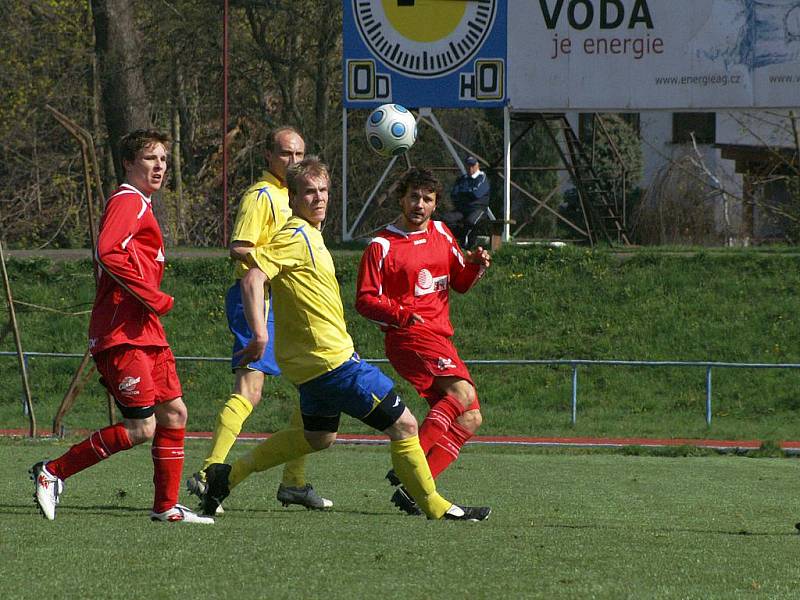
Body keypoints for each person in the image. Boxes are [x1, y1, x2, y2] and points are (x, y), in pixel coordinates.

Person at [200, 156, 490, 522]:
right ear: (292, 197)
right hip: (332, 361)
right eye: (309, 191)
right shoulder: (296, 236)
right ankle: (435, 506)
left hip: (310, 365)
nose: (319, 198)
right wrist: (260, 332)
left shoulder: (311, 235)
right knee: (404, 425)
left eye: (323, 190)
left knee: (318, 437)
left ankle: (226, 476)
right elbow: (253, 278)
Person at [30, 129, 213, 524]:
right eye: (150, 158)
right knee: (141, 427)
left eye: (164, 159)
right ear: (129, 163)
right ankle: (52, 472)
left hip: (145, 331)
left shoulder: (143, 206)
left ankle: (165, 507)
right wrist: (153, 295)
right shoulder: (128, 201)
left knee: (175, 414)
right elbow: (108, 251)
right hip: (121, 333)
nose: (160, 166)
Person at [186, 126, 332, 511]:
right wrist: (270, 267)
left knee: (312, 386)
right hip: (257, 299)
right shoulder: (262, 195)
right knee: (250, 390)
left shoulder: (296, 196)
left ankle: (295, 482)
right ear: (268, 156)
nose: (295, 161)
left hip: (288, 302)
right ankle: (207, 473)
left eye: (300, 154)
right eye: (287, 154)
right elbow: (240, 248)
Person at [355, 167, 491, 516]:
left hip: (440, 336)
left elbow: (459, 282)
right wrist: (401, 314)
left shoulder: (442, 233)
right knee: (462, 395)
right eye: (413, 196)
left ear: (434, 205)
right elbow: (365, 300)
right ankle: (407, 466)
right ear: (401, 198)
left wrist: (475, 265)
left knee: (471, 418)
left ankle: (416, 490)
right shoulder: (381, 245)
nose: (419, 204)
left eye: (427, 199)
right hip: (410, 336)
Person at [443, 155, 491, 248]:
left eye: (473, 165)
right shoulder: (462, 179)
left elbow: (476, 193)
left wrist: (463, 192)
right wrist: (468, 192)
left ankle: (467, 246)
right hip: (462, 209)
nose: (470, 168)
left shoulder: (482, 178)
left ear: (477, 165)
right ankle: (459, 238)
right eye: (468, 165)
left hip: (478, 209)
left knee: (470, 222)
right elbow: (454, 193)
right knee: (446, 219)